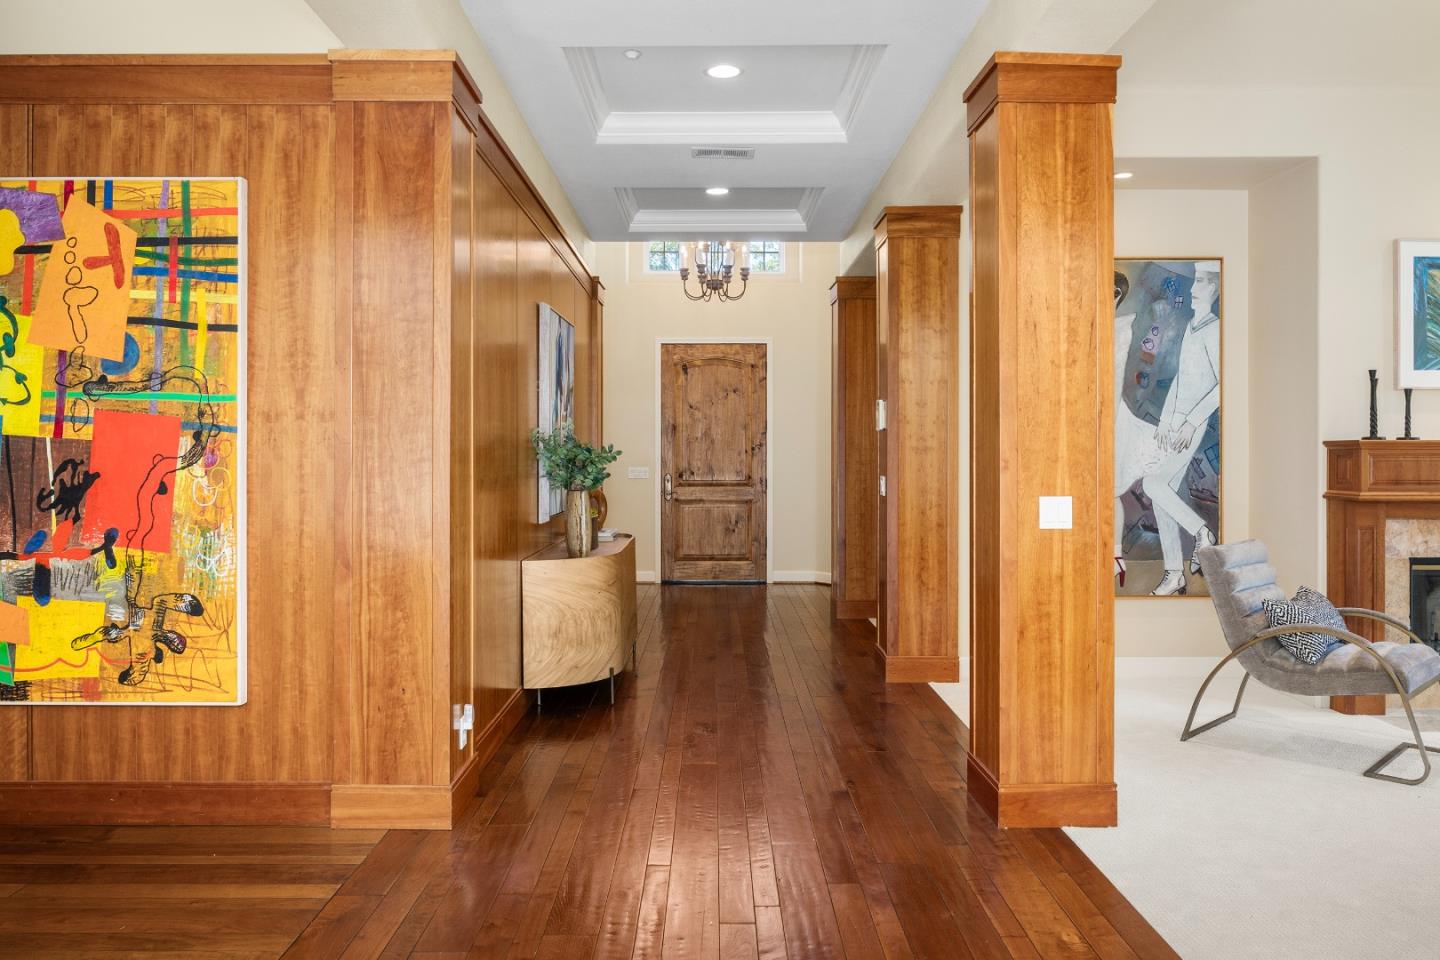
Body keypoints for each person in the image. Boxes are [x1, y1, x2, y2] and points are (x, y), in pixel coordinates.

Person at [1142, 262, 1220, 596]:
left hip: (1194, 424)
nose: (1192, 288)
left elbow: (1222, 384)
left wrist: (1189, 422)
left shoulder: (1216, 330)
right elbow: (1180, 380)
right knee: (1163, 495)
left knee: (1152, 483)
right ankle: (1174, 573)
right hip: (1177, 423)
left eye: (1201, 282)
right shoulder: (1193, 326)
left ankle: (1202, 532)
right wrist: (1165, 420)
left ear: (1214, 288)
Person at [1113, 272, 1163, 587]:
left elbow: (1115, 376)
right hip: (1092, 411)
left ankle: (1115, 555)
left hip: (1108, 412)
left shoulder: (1120, 330)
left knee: (1109, 488)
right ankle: (1113, 556)